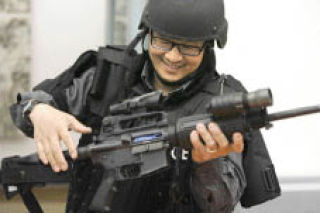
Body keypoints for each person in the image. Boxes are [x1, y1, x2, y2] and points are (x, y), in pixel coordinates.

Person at [10, 0, 280, 212]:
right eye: (162, 41)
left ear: (208, 46)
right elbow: (25, 107)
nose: (173, 57)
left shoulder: (224, 107)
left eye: (188, 48)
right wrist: (37, 110)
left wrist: (207, 165)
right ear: (147, 33)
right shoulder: (104, 76)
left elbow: (219, 205)